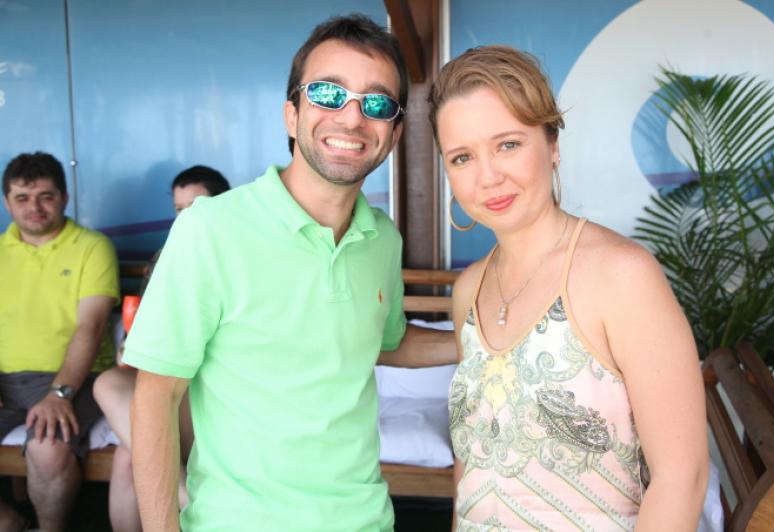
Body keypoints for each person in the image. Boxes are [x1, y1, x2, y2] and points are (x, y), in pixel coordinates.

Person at [123, 14, 453, 532]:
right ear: (291, 115)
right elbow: (155, 397)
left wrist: (483, 340)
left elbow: (384, 342)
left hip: (365, 521)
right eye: (328, 93)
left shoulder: (382, 239)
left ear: (393, 133)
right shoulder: (210, 229)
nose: (351, 117)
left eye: (376, 103)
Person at [428, 46, 709, 531]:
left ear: (552, 145)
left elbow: (682, 478)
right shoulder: (468, 290)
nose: (488, 176)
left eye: (508, 145)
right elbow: (472, 468)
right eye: (462, 157)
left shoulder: (621, 275)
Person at [93, 165, 230, 532]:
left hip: (217, 391)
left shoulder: (239, 257)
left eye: (195, 208)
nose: (185, 219)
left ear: (224, 205)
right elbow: (143, 334)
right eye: (178, 210)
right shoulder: (164, 258)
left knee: (133, 455)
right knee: (113, 397)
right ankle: (186, 496)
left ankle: (186, 499)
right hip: (172, 385)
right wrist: (131, 349)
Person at [0, 151, 119, 532]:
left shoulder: (92, 246)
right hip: (5, 382)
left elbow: (92, 326)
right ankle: (12, 523)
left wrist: (60, 393)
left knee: (47, 447)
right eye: (22, 198)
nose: (34, 207)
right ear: (7, 203)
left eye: (46, 196)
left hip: (75, 379)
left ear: (64, 198)